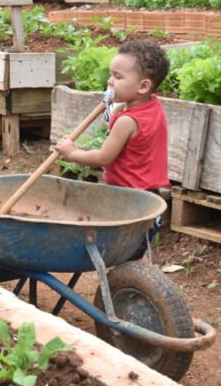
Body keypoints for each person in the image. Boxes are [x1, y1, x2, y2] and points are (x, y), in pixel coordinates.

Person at [53, 39, 170, 256]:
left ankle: (123, 285)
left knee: (122, 258)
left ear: (143, 86)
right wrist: (115, 109)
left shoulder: (126, 122)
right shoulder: (153, 106)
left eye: (118, 77)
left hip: (127, 202)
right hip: (150, 199)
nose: (109, 82)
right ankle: (129, 285)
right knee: (130, 259)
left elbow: (103, 157)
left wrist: (72, 152)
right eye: (110, 74)